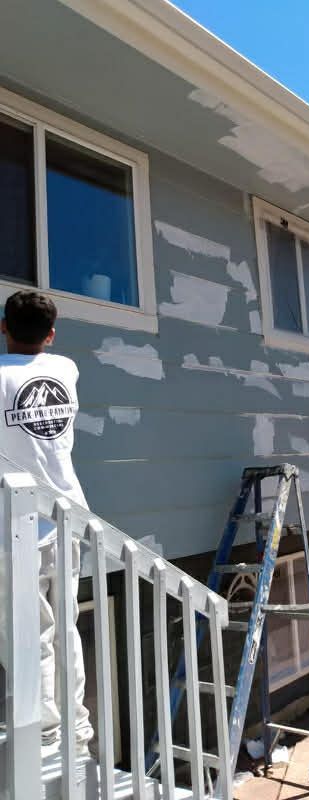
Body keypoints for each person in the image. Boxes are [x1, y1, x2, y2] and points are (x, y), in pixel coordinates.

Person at [0, 290, 93, 755]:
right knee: (65, 626)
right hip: (67, 515)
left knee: (29, 631)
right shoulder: (66, 369)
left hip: (16, 525)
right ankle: (75, 726)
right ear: (52, 335)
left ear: (3, 329)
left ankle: (46, 730)